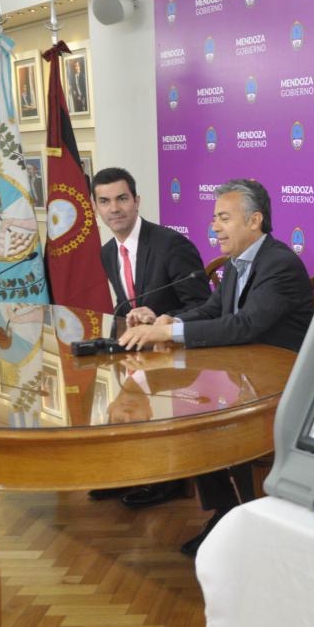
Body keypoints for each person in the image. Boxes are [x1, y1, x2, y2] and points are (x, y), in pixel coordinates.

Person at [119, 178, 314, 554]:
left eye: (224, 218)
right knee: (192, 411)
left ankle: (252, 525)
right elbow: (212, 310)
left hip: (283, 384)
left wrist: (169, 333)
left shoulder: (279, 264)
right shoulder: (238, 262)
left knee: (214, 420)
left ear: (254, 220)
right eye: (214, 218)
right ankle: (225, 513)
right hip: (244, 373)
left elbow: (244, 325)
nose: (214, 227)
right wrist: (166, 320)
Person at [91, 166, 212, 510]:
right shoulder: (107, 252)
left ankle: (166, 478)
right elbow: (126, 304)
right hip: (141, 355)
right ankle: (128, 471)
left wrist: (160, 318)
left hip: (180, 359)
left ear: (136, 201)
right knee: (111, 397)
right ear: (96, 208)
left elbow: (204, 306)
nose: (114, 208)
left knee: (132, 399)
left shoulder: (171, 245)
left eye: (122, 199)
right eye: (105, 201)